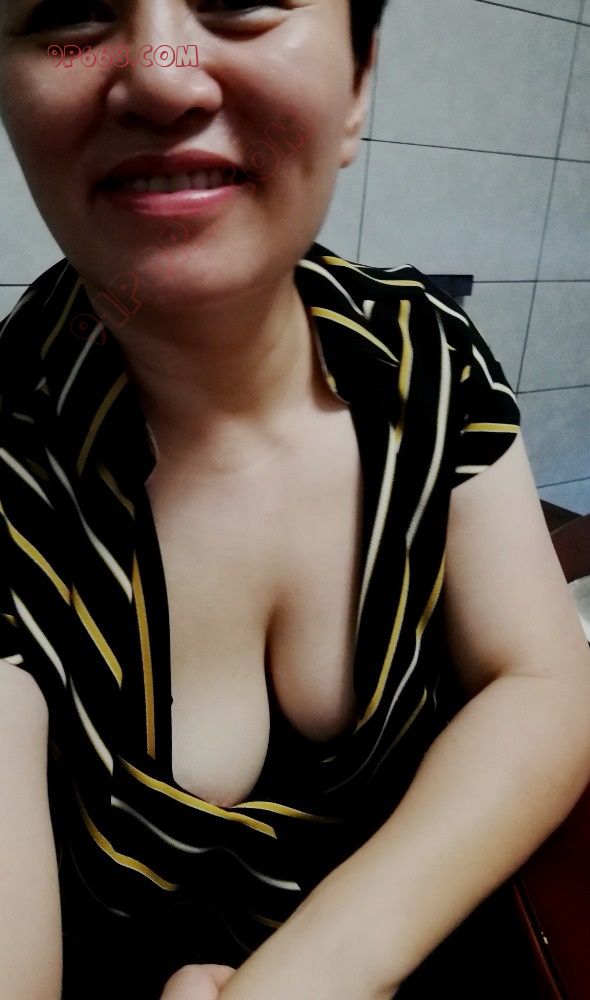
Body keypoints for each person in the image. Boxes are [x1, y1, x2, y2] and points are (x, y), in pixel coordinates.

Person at [0, 2, 589, 999]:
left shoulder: (427, 358)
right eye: (70, 8)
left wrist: (315, 972)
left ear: (357, 83)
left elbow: (542, 680)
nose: (163, 73)